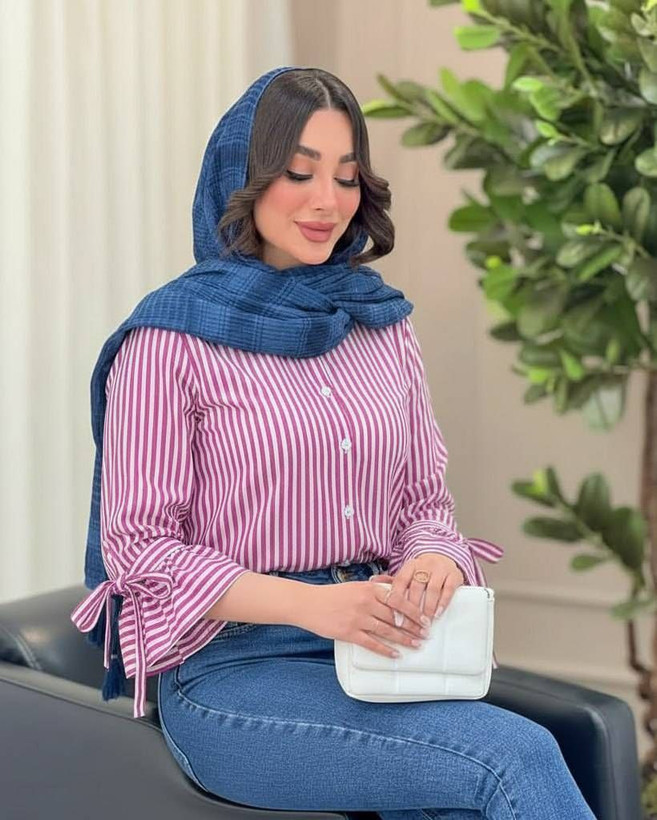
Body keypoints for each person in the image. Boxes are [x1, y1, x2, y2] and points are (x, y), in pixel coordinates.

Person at [70, 66, 596, 819]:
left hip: (384, 652)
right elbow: (141, 551)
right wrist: (314, 607)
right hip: (231, 672)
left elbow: (423, 504)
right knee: (514, 758)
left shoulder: (379, 324)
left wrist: (433, 560)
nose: (328, 201)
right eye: (299, 173)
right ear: (244, 178)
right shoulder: (168, 340)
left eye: (347, 177)